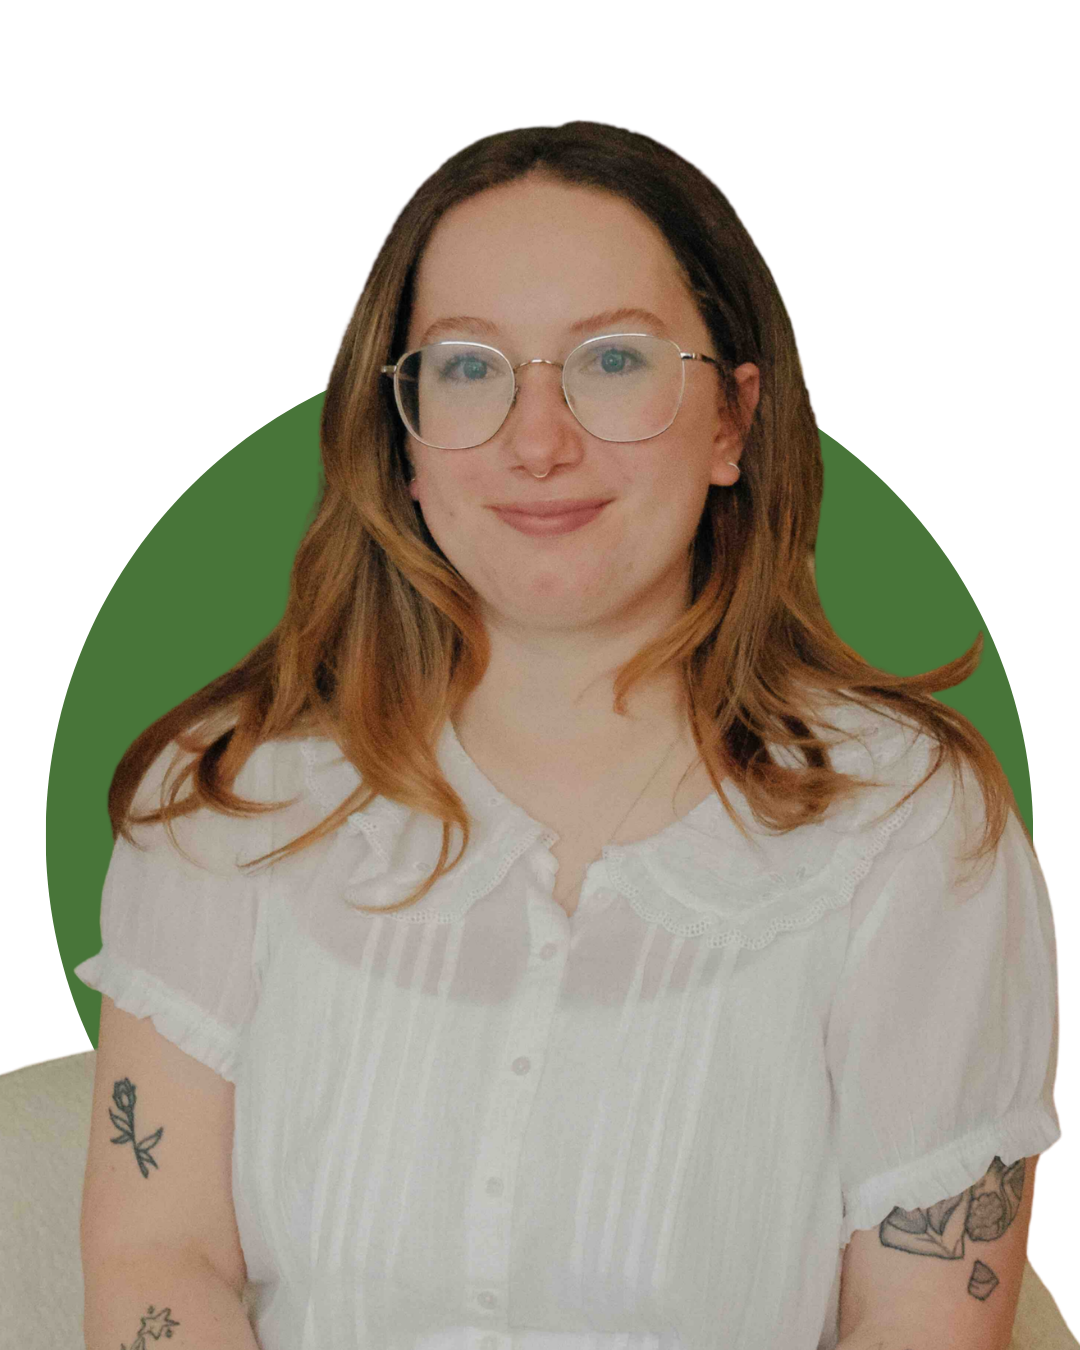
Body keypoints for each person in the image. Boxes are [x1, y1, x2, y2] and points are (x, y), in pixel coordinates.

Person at [76, 123, 1063, 1350]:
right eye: (471, 368)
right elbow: (157, 1259)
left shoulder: (915, 826)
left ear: (733, 422)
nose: (538, 442)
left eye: (612, 358)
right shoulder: (229, 798)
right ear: (407, 441)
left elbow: (924, 1326)